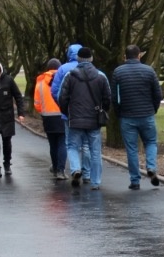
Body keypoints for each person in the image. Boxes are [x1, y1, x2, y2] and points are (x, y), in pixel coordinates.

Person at [57, 47, 111, 190]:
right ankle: (96, 181)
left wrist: (67, 112)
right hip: (94, 119)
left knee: (72, 146)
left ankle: (76, 169)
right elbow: (107, 98)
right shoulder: (101, 76)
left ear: (78, 59)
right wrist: (102, 110)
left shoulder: (70, 76)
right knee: (95, 150)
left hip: (74, 118)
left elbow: (62, 97)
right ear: (92, 58)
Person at [112, 45, 163, 190]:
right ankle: (151, 167)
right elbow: (158, 94)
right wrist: (154, 108)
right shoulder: (149, 71)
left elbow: (115, 97)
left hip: (127, 116)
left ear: (125, 57)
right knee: (151, 142)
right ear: (139, 56)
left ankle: (135, 180)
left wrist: (118, 112)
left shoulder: (118, 72)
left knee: (131, 149)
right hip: (147, 114)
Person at [51, 44, 91, 183]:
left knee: (71, 144)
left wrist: (63, 107)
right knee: (86, 144)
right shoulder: (91, 69)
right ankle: (87, 173)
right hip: (88, 113)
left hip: (69, 113)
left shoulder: (63, 69)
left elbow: (55, 91)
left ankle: (76, 169)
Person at [35, 58, 67, 179]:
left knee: (53, 145)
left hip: (47, 117)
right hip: (62, 115)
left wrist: (43, 112)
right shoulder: (64, 79)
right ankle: (60, 170)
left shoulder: (40, 82)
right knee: (62, 143)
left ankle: (54, 167)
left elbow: (37, 103)